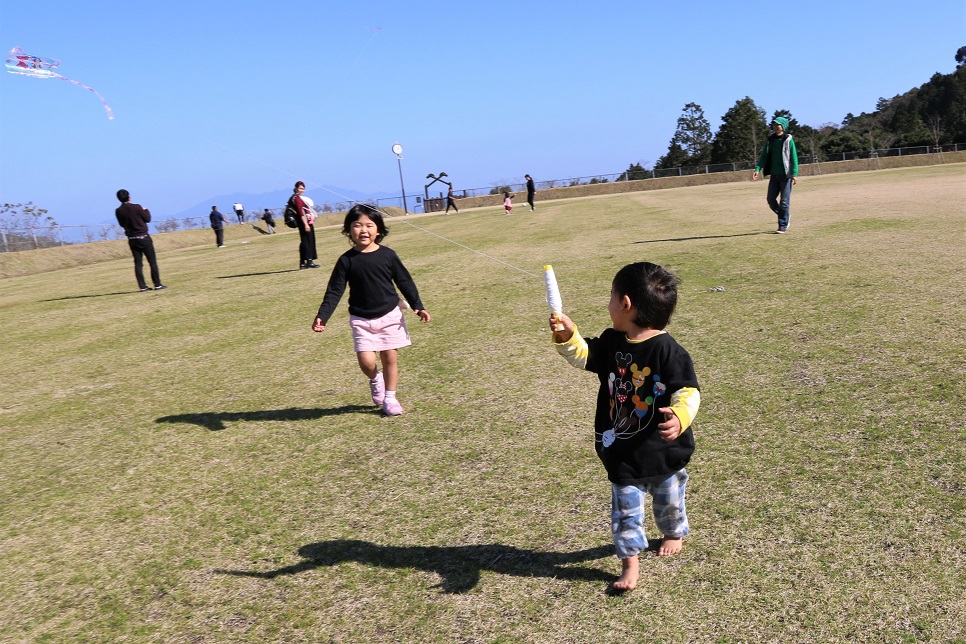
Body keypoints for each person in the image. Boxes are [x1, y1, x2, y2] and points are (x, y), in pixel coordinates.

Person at [550, 262, 700, 592]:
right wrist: (567, 335)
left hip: (664, 449)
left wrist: (680, 416)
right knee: (625, 512)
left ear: (626, 305)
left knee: (670, 500)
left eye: (611, 298)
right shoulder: (613, 342)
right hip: (622, 450)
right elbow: (585, 355)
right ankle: (630, 561)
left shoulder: (670, 351)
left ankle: (674, 531)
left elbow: (688, 391)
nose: (609, 305)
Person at [312, 204, 430, 416]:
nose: (363, 230)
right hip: (361, 319)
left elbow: (405, 282)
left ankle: (390, 397)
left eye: (369, 225)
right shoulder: (346, 260)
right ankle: (376, 380)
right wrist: (323, 316)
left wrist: (417, 306)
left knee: (390, 357)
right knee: (366, 362)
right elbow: (334, 291)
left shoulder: (388, 255)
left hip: (390, 314)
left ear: (379, 231)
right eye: (357, 225)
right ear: (349, 230)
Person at [752, 116, 799, 234]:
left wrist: (794, 173)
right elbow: (764, 156)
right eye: (773, 124)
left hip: (786, 176)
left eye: (777, 124)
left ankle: (782, 225)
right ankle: (785, 215)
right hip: (774, 176)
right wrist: (757, 169)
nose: (775, 126)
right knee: (770, 199)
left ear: (783, 126)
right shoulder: (770, 140)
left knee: (784, 201)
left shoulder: (788, 140)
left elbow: (794, 157)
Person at [115, 189, 165, 292]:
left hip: (132, 239)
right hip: (143, 237)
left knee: (138, 263)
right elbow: (147, 219)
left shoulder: (118, 211)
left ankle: (142, 286)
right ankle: (157, 284)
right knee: (152, 262)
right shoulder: (137, 207)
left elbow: (121, 224)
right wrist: (145, 210)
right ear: (129, 197)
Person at [288, 181, 319, 269]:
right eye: (300, 188)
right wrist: (306, 224)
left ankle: (302, 262)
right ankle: (309, 261)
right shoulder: (297, 198)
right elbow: (301, 212)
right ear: (296, 188)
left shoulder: (296, 198)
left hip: (306, 222)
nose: (302, 190)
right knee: (308, 241)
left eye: (303, 188)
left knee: (304, 242)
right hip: (304, 223)